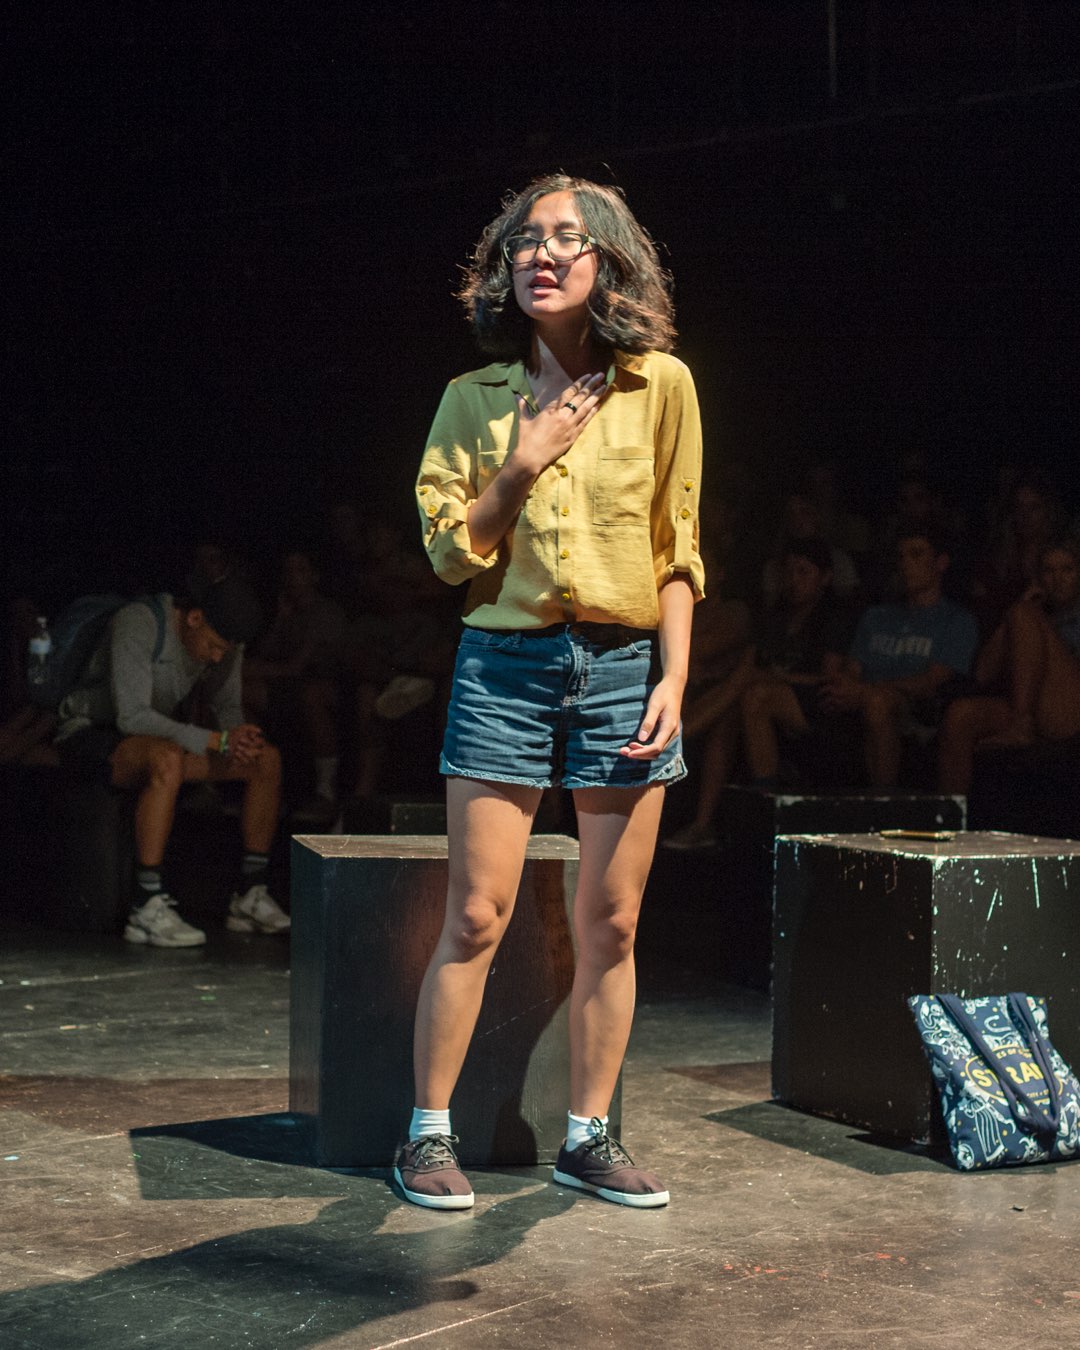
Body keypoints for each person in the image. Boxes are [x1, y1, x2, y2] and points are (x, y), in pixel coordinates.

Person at [394, 174, 704, 1212]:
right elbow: (450, 554)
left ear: (607, 262)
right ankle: (425, 1135)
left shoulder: (663, 386)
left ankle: (589, 1137)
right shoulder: (472, 400)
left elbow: (679, 543)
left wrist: (675, 674)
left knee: (610, 922)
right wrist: (520, 464)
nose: (542, 254)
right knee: (477, 915)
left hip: (624, 671)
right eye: (526, 240)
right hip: (507, 667)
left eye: (567, 239)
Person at [53, 576, 290, 947]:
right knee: (168, 760)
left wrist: (238, 739)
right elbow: (130, 716)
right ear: (194, 618)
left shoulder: (226, 645)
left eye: (224, 651)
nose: (216, 657)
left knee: (265, 761)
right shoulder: (140, 621)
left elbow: (226, 707)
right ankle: (146, 906)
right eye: (213, 646)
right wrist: (215, 740)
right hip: (93, 731)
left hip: (160, 737)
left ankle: (250, 893)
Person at [665, 536, 853, 848]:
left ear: (825, 578)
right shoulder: (776, 616)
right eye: (789, 572)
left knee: (753, 690)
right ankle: (703, 823)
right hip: (758, 696)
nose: (794, 580)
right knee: (734, 705)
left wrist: (776, 677)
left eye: (803, 572)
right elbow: (749, 662)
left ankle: (675, 740)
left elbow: (829, 680)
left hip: (813, 705)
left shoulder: (833, 618)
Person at [821, 525, 978, 788]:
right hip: (860, 698)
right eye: (901, 556)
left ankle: (883, 805)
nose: (905, 564)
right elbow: (853, 669)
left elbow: (933, 681)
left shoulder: (958, 620)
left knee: (877, 702)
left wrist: (869, 690)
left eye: (916, 555)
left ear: (940, 562)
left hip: (914, 709)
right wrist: (847, 686)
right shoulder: (876, 616)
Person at [938, 537, 1080, 795]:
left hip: (1071, 709)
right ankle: (950, 821)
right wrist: (1017, 613)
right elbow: (982, 673)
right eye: (1049, 571)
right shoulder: (1031, 614)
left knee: (1022, 614)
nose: (1057, 579)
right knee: (961, 714)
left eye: (1067, 570)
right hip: (1034, 708)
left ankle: (1021, 724)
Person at [244, 549, 347, 823]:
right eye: (288, 571)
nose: (293, 578)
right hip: (290, 688)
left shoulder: (325, 612)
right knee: (245, 692)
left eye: (300, 570)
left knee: (311, 698)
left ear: (314, 576)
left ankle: (326, 793)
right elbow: (267, 652)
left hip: (328, 688)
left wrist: (256, 669)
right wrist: (280, 619)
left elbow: (296, 667)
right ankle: (258, 784)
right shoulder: (288, 613)